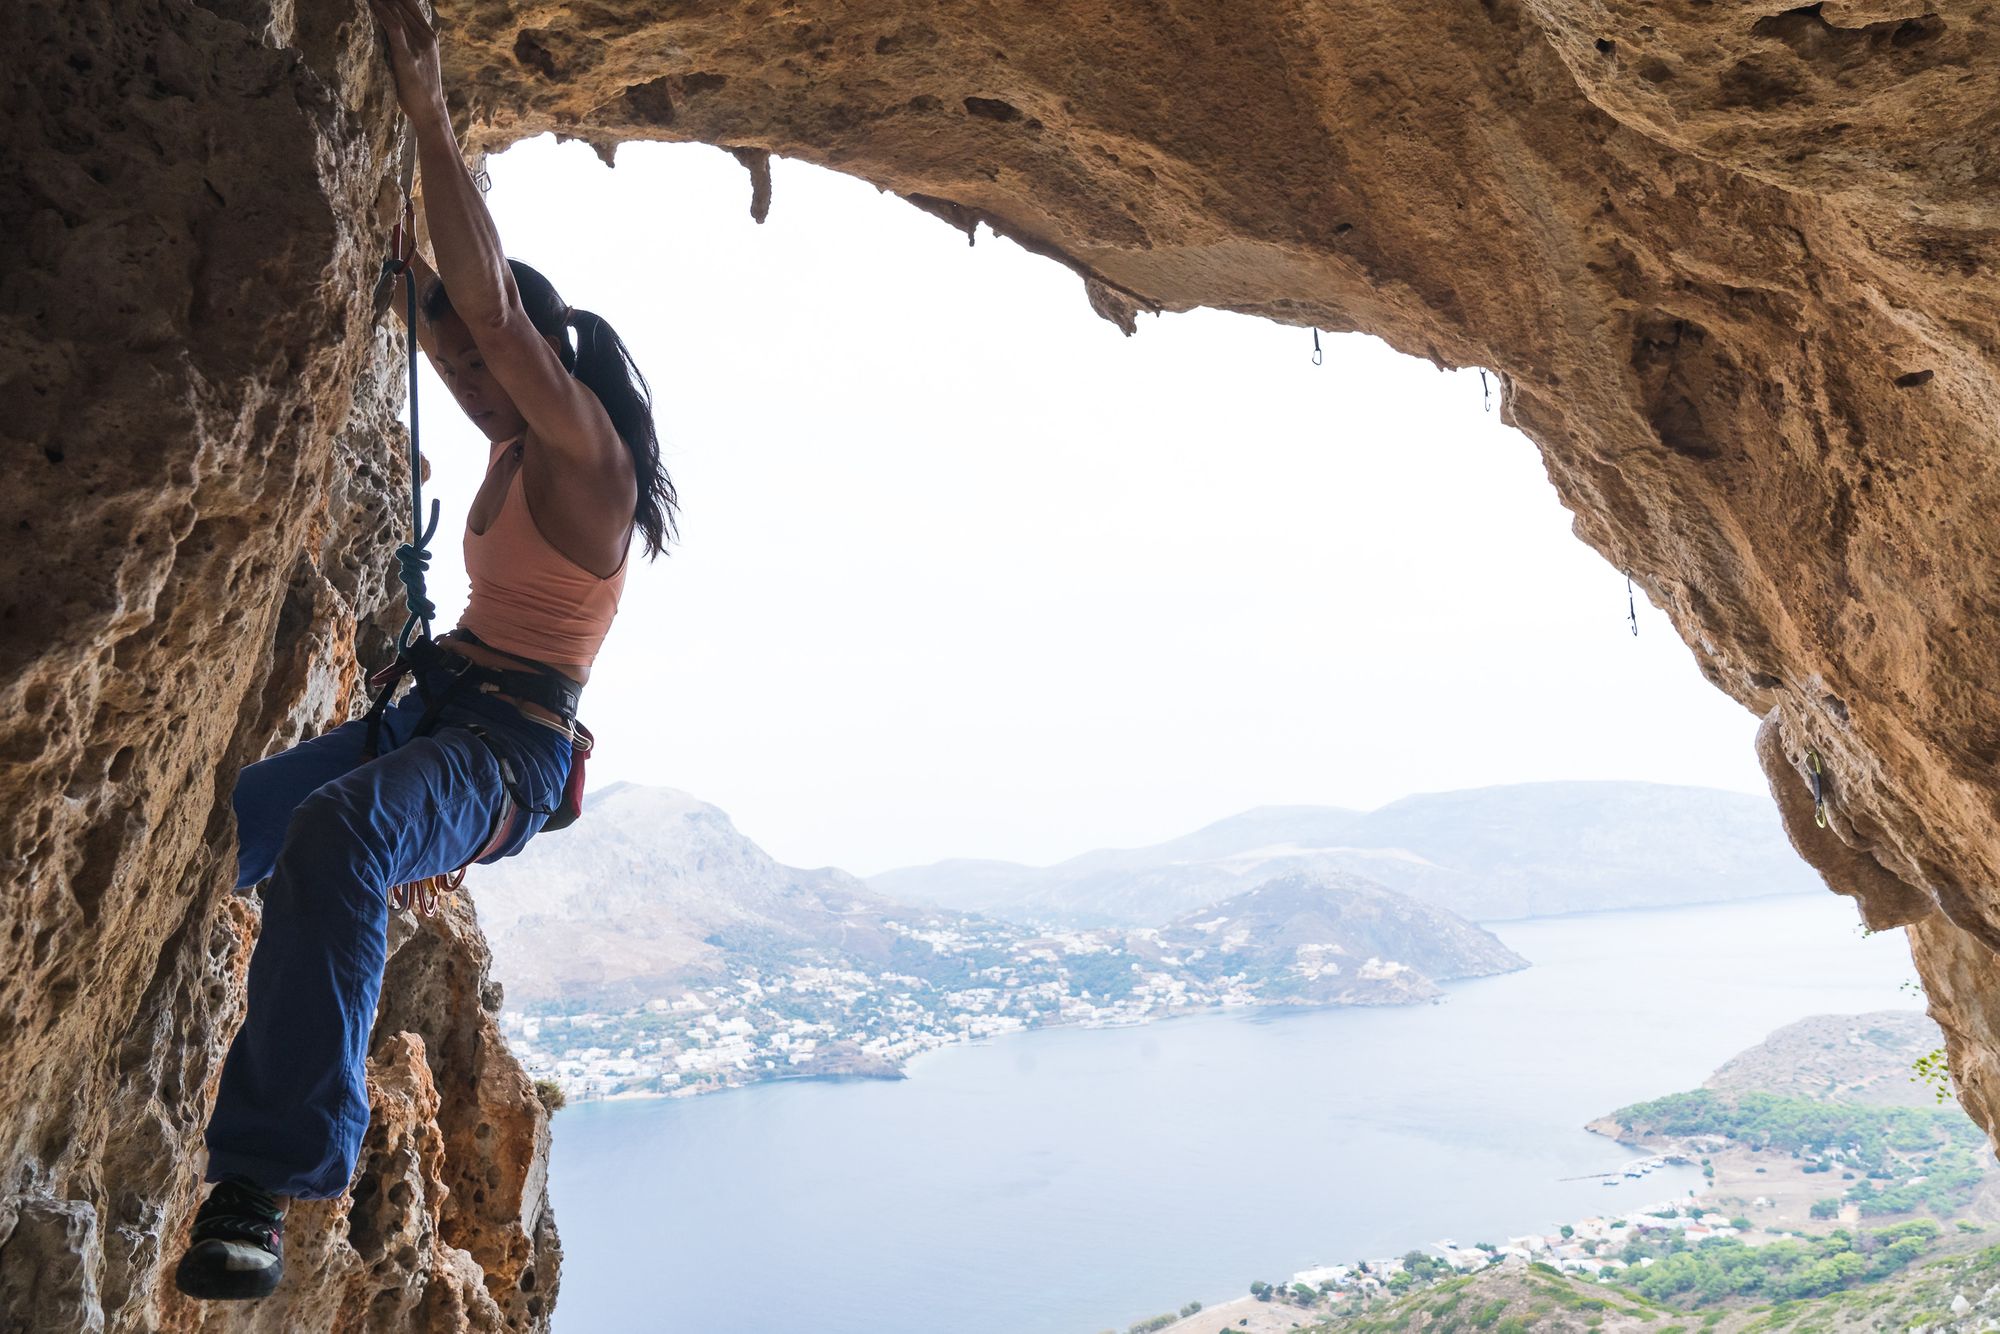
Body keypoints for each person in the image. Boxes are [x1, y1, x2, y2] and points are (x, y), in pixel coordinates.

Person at [173, 0, 676, 1301]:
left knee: (342, 833)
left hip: (502, 754)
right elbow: (467, 328)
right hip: (441, 710)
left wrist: (431, 112)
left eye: (501, 363)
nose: (473, 376)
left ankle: (265, 1182)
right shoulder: (522, 447)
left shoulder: (594, 471)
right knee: (229, 824)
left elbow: (492, 312)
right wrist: (403, 261)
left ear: (560, 378)